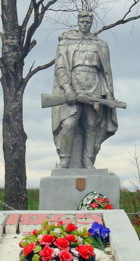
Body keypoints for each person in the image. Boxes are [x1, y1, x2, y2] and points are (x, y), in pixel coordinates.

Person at [50, 11, 120, 168]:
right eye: (82, 20)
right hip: (73, 85)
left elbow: (105, 72)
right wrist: (67, 87)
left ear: (91, 22)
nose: (85, 23)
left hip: (94, 86)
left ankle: (88, 159)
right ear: (78, 21)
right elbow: (61, 66)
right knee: (69, 123)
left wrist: (108, 93)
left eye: (88, 21)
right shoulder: (66, 42)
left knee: (91, 125)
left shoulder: (100, 44)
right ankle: (65, 159)